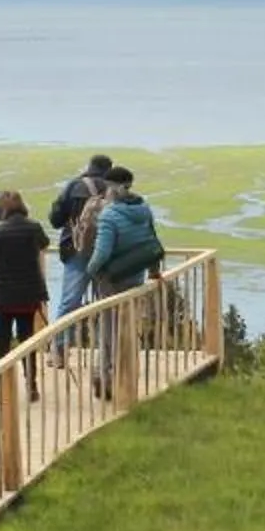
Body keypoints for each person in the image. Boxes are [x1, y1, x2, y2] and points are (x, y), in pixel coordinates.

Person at [84, 164, 164, 399]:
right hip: (135, 275)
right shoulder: (144, 209)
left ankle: (110, 379)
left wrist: (90, 272)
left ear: (110, 188)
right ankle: (121, 374)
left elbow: (102, 253)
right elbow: (151, 241)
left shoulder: (109, 216)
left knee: (109, 329)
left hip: (112, 279)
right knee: (127, 325)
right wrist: (154, 271)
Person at [0, 189, 51, 398]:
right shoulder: (33, 228)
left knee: (2, 343)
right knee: (27, 340)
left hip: (1, 298)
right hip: (28, 296)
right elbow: (45, 243)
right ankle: (31, 386)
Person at [48, 152, 114, 332]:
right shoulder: (113, 189)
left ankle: (61, 345)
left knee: (69, 303)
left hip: (76, 250)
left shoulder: (75, 186)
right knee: (108, 304)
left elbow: (55, 220)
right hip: (107, 253)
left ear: (89, 167)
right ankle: (107, 347)